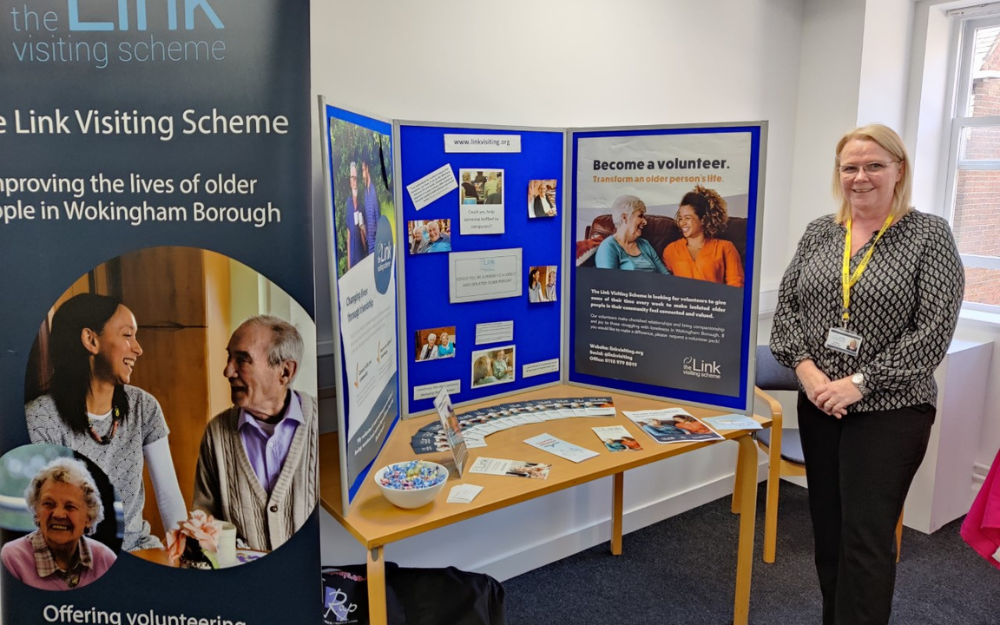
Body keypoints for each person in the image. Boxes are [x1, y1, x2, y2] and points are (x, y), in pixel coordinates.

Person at [770, 124, 964, 625]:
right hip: (819, 405)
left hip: (890, 412)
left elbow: (933, 331)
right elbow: (787, 308)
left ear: (899, 170)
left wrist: (858, 384)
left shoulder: (929, 235)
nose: (861, 177)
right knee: (829, 532)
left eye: (874, 165)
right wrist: (808, 372)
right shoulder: (820, 232)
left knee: (866, 539)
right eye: (850, 167)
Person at [26, 294, 186, 552]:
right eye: (127, 335)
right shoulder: (42, 418)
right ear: (91, 340)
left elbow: (168, 498)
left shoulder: (144, 407)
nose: (138, 348)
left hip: (139, 550)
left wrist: (188, 558)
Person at [193, 315, 318, 553]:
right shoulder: (216, 434)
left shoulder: (322, 423)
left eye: (242, 360)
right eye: (229, 357)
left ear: (285, 372)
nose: (228, 371)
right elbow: (204, 523)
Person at [2, 458, 117, 590]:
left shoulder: (106, 559)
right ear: (37, 512)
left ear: (89, 517)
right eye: (48, 504)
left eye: (70, 506)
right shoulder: (12, 559)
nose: (58, 514)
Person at [661, 185, 744, 287]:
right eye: (680, 218)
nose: (682, 223)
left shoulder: (725, 247)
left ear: (703, 220)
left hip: (716, 301)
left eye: (688, 218)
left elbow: (736, 284)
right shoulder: (671, 250)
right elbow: (665, 286)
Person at [594, 195, 670, 273]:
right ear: (624, 218)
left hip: (656, 285)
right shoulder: (608, 247)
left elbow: (665, 275)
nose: (645, 222)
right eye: (640, 216)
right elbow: (608, 282)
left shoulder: (645, 244)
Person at [346, 162, 366, 270]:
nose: (355, 182)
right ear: (350, 181)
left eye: (356, 179)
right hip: (352, 260)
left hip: (360, 259)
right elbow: (348, 236)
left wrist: (362, 228)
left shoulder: (361, 207)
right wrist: (348, 266)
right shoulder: (348, 204)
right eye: (353, 178)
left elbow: (364, 244)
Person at [362, 160, 379, 255]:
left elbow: (378, 216)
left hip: (377, 243)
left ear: (367, 169)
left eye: (363, 170)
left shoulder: (374, 190)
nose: (362, 174)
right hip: (370, 243)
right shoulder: (365, 192)